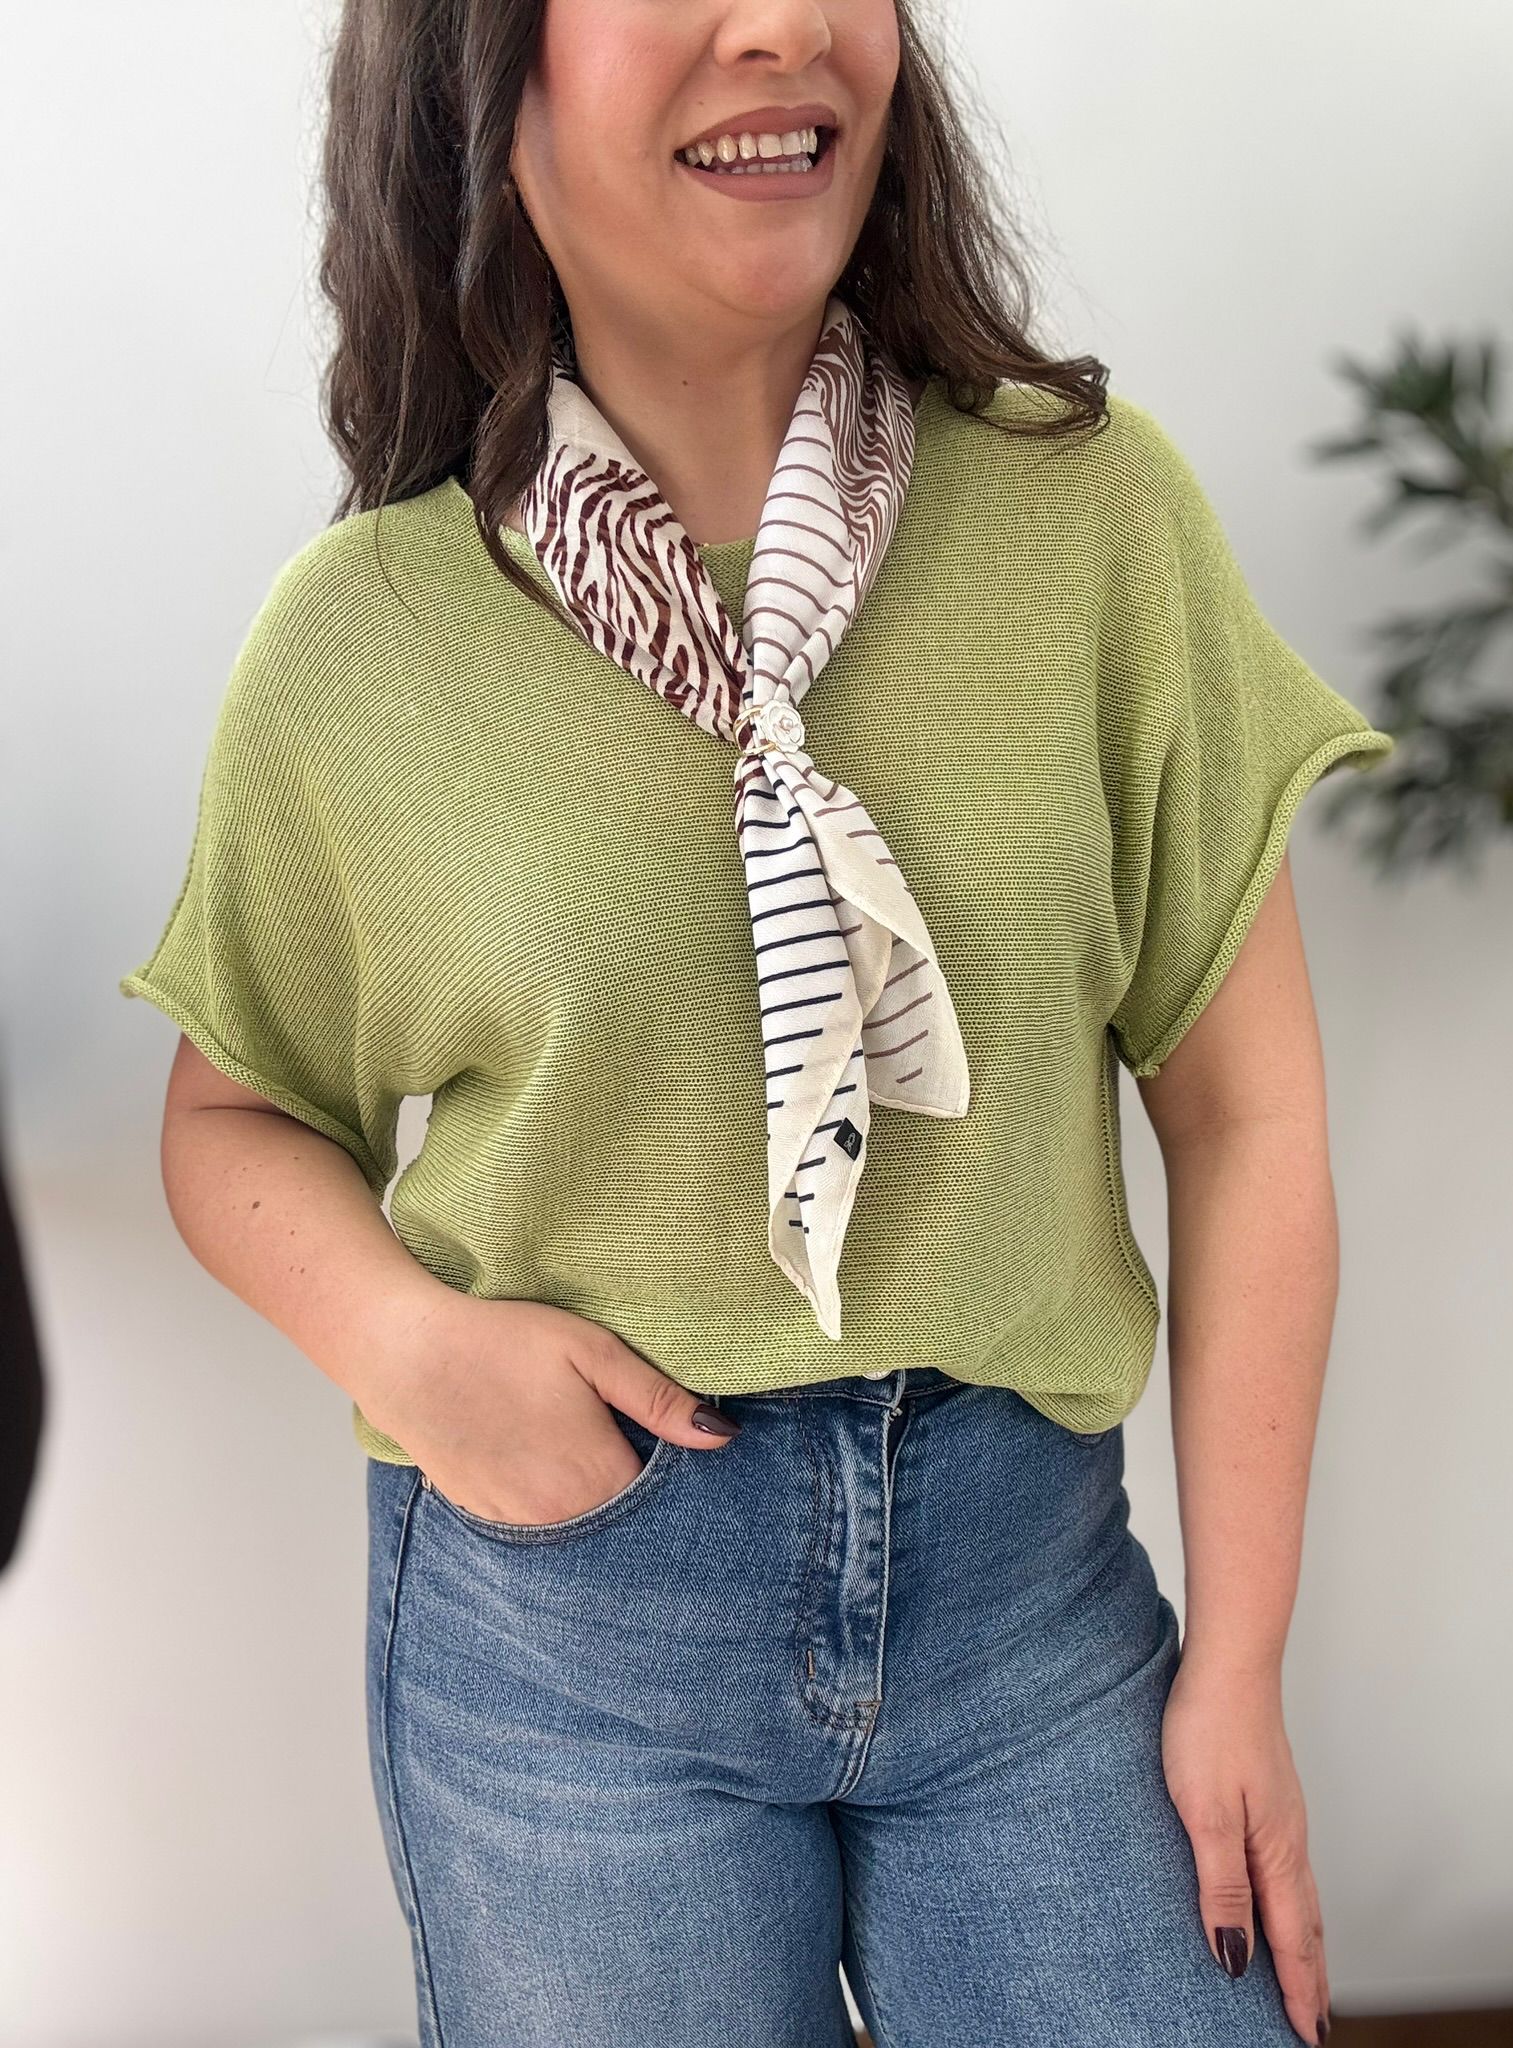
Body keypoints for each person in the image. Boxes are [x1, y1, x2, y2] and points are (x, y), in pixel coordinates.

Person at [119, 3, 1395, 2043]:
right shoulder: (364, 640)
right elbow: (235, 1117)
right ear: (481, 80)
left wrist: (1239, 1665)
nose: (787, 27)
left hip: (1031, 1603)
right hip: (573, 1636)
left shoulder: (1093, 525)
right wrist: (412, 1347)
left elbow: (1243, 1116)